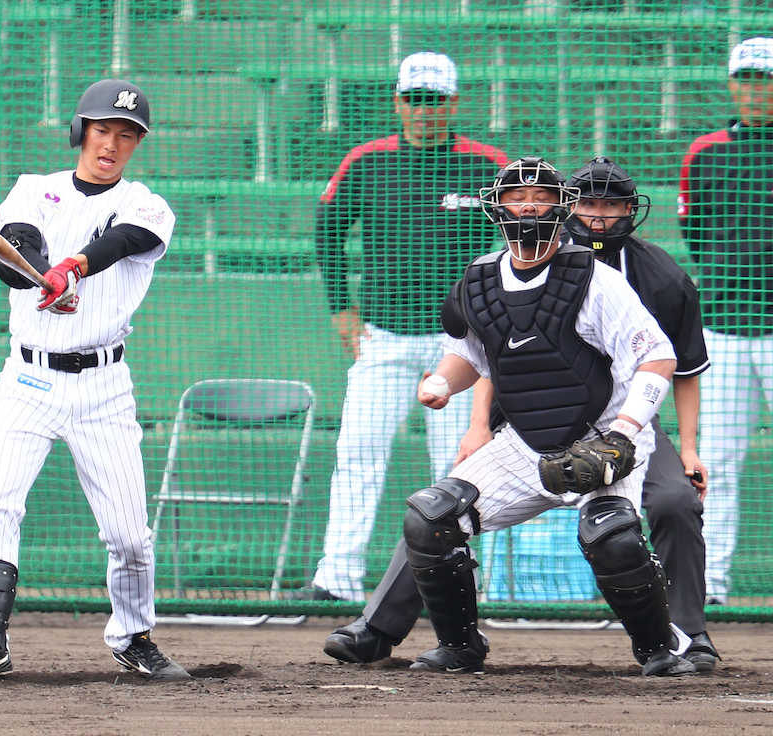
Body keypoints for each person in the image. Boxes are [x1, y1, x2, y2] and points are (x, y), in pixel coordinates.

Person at [322, 157, 721, 673]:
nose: (528, 205)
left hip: (606, 431)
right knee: (430, 516)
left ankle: (664, 649)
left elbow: (661, 357)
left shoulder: (602, 278)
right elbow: (471, 354)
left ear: (560, 208)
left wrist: (626, 434)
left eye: (541, 196)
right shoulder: (481, 277)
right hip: (527, 436)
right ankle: (455, 644)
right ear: (497, 206)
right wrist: (446, 387)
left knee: (614, 534)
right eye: (516, 195)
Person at [0, 79, 189, 681]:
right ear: (81, 131)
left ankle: (133, 635)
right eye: (103, 130)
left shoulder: (147, 203)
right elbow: (16, 248)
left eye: (128, 135)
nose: (114, 144)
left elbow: (126, 241)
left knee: (128, 535)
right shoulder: (33, 189)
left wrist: (73, 269)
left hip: (103, 387)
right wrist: (40, 272)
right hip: (29, 380)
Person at [296, 51, 508, 601]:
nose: (423, 110)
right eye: (414, 99)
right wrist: (342, 308)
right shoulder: (366, 160)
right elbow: (328, 231)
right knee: (358, 454)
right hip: (383, 337)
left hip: (459, 345)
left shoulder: (488, 165)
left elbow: (522, 234)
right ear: (397, 102)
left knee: (459, 467)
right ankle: (336, 579)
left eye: (435, 100)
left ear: (455, 103)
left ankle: (459, 581)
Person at [678, 36, 773, 606]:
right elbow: (698, 234)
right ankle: (710, 585)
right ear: (733, 85)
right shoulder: (706, 151)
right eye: (749, 79)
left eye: (767, 79)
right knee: (717, 462)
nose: (758, 90)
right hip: (727, 328)